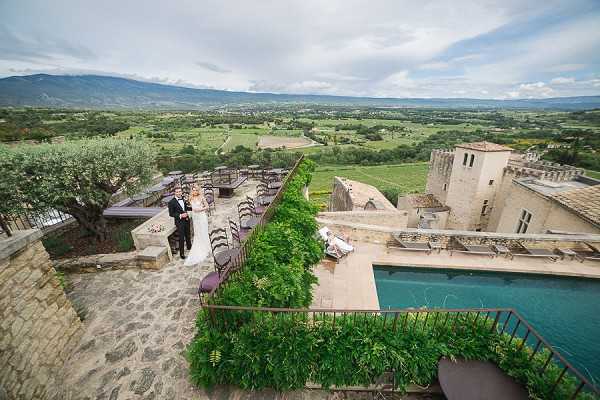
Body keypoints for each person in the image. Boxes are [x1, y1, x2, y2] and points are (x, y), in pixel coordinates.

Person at [184, 185, 211, 266]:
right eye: (193, 190)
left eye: (196, 190)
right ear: (192, 191)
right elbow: (193, 209)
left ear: (198, 191)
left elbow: (207, 207)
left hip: (202, 216)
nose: (195, 191)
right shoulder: (191, 198)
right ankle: (200, 246)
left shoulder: (202, 197)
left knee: (204, 231)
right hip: (196, 218)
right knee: (198, 232)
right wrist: (196, 210)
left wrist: (201, 209)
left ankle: (206, 247)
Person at [168, 187, 192, 259]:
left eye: (180, 191)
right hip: (179, 221)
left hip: (186, 219)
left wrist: (194, 207)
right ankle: (182, 253)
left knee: (188, 234)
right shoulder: (171, 202)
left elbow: (185, 208)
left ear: (181, 192)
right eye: (177, 192)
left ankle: (189, 247)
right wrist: (180, 215)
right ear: (174, 193)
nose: (179, 193)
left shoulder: (183, 199)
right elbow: (171, 214)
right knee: (181, 237)